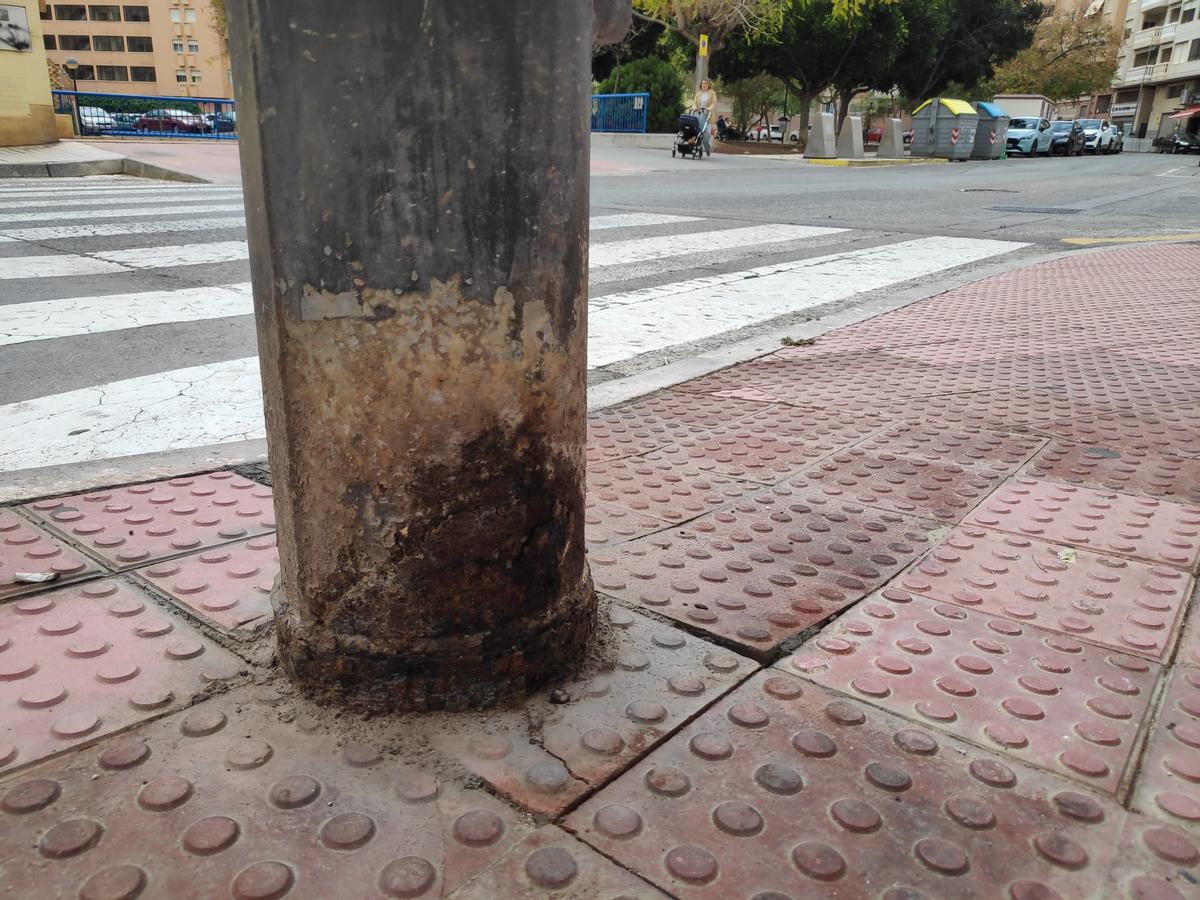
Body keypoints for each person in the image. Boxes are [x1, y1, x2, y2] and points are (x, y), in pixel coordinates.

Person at [691, 79, 717, 157]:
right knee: (699, 131)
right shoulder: (698, 94)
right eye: (702, 83)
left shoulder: (712, 93)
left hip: (707, 115)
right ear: (701, 85)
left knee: (706, 135)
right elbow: (694, 103)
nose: (704, 85)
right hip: (699, 114)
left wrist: (708, 108)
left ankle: (707, 148)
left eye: (705, 83)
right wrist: (695, 107)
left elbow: (713, 103)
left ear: (708, 85)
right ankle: (698, 146)